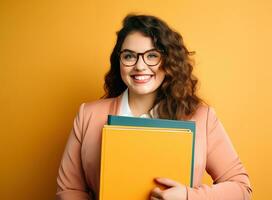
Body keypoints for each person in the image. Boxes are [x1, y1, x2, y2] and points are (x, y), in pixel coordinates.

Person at [56, 14, 252, 200]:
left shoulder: (201, 117)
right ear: (120, 61)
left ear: (169, 61)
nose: (140, 66)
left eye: (152, 56)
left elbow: (241, 187)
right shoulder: (88, 114)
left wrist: (188, 196)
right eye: (129, 56)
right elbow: (70, 188)